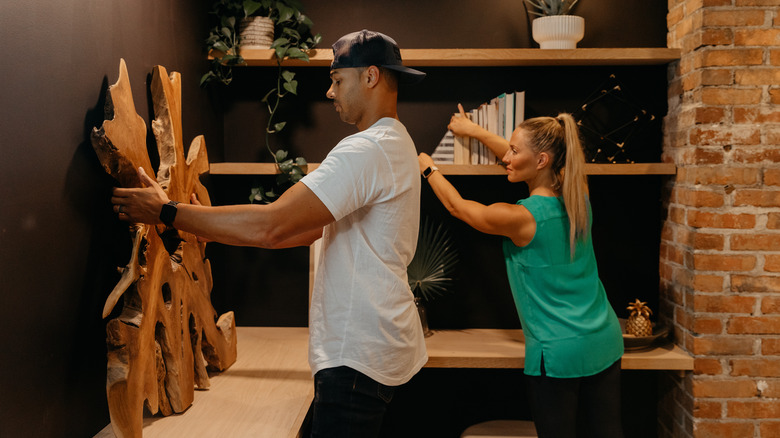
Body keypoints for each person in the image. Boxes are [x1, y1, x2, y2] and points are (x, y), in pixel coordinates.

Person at [112, 29, 428, 438]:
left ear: (370, 76)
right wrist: (185, 218)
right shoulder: (395, 144)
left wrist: (167, 212)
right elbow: (300, 232)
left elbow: (272, 226)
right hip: (377, 348)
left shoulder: (368, 149)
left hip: (357, 357)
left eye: (336, 80)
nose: (329, 93)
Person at [418, 104, 624, 438]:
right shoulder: (578, 196)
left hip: (557, 352)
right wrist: (475, 131)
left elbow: (460, 208)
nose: (506, 157)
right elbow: (525, 160)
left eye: (514, 150)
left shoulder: (522, 218)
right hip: (604, 338)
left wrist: (428, 168)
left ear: (542, 160)